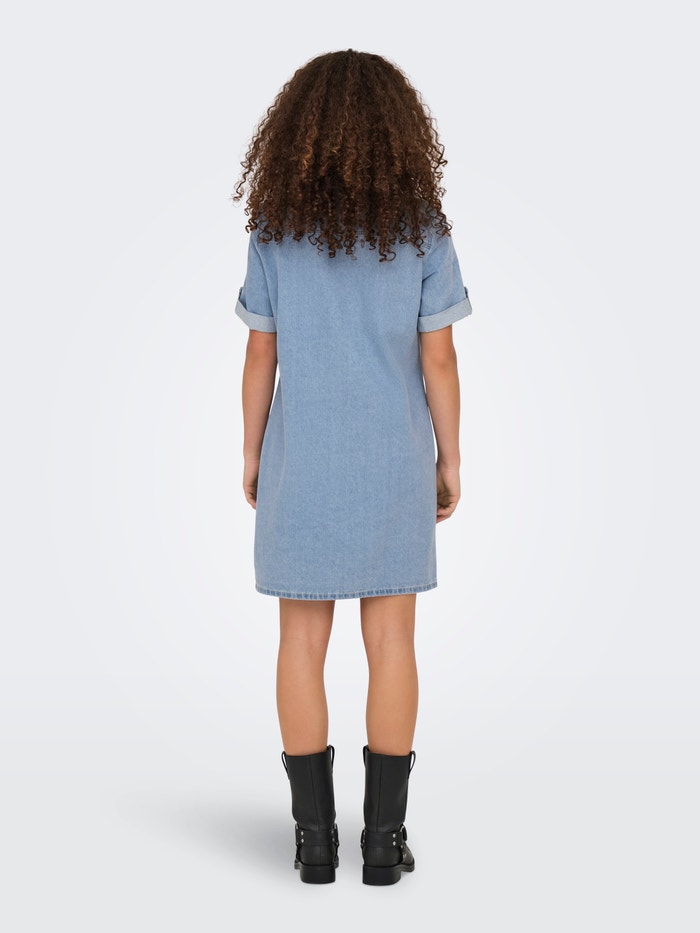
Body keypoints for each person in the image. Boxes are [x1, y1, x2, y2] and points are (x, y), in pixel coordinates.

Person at [231, 49, 473, 885]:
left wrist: (254, 451)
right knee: (392, 641)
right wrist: (450, 457)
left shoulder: (275, 229)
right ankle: (381, 839)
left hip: (301, 463)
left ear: (295, 130)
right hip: (393, 464)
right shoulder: (421, 228)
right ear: (401, 132)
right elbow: (438, 358)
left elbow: (259, 355)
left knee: (300, 643)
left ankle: (312, 842)